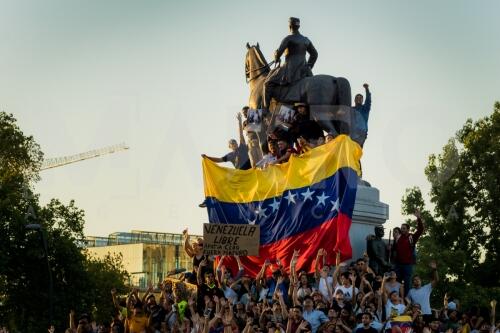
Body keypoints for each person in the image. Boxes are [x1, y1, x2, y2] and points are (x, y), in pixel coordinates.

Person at [263, 17, 318, 110]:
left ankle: (264, 110)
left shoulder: (288, 38)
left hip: (289, 68)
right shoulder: (306, 40)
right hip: (303, 68)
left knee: (267, 83)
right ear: (299, 26)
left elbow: (278, 53)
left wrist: (276, 55)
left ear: (289, 26)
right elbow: (315, 54)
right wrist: (308, 66)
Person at [394, 210, 424, 296]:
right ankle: (398, 299)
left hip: (407, 265)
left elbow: (420, 230)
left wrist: (419, 218)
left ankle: (407, 300)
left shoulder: (412, 237)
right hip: (398, 265)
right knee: (397, 283)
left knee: (407, 284)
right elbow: (394, 249)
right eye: (401, 228)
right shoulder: (398, 238)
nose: (402, 230)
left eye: (403, 228)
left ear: (408, 229)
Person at [350, 84, 371, 148]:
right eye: (357, 98)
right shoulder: (351, 109)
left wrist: (367, 89)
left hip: (361, 133)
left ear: (362, 100)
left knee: (357, 150)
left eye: (360, 98)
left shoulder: (365, 108)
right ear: (354, 100)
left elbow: (368, 100)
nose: (359, 99)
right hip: (352, 132)